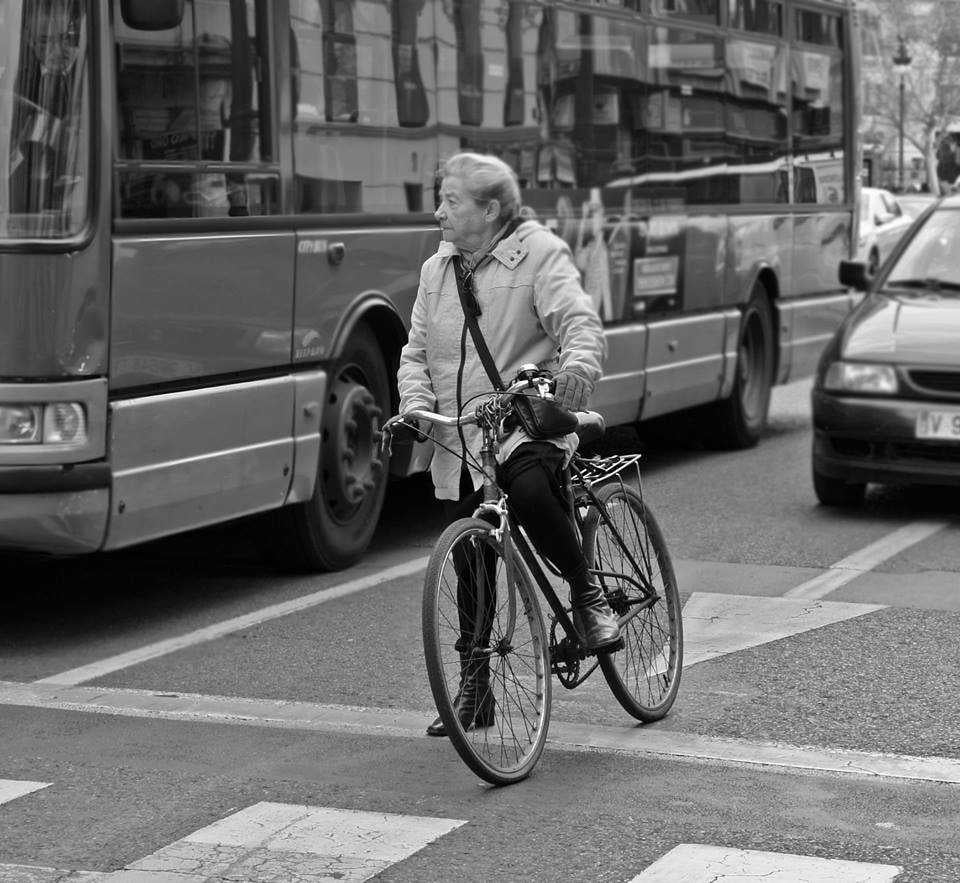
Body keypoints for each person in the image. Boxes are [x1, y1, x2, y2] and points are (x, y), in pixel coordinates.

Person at [397, 152, 620, 738]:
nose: (438, 212)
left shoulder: (538, 253)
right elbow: (415, 353)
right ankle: (476, 687)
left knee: (529, 490)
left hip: (525, 420)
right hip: (463, 435)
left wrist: (578, 368)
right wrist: (414, 403)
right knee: (471, 557)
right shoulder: (436, 271)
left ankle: (587, 595)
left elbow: (579, 324)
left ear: (491, 209)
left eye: (451, 201)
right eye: (440, 200)